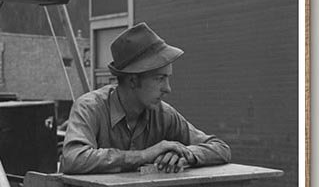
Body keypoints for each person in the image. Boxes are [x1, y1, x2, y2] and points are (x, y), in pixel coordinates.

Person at [61, 22, 232, 175]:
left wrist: (186, 155)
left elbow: (220, 148)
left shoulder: (164, 114)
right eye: (160, 79)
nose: (168, 89)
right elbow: (73, 159)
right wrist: (144, 155)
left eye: (168, 78)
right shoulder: (89, 108)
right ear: (133, 80)